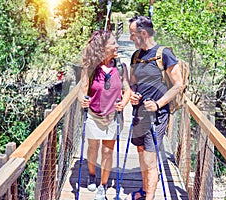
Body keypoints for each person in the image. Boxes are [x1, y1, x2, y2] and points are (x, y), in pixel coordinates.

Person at [126, 16, 183, 200]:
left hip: (157, 116)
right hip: (139, 114)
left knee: (150, 160)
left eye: (132, 34)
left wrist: (158, 104)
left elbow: (178, 85)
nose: (130, 38)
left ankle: (149, 197)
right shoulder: (136, 56)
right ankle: (144, 191)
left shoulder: (164, 54)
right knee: (142, 153)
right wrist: (132, 94)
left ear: (143, 33)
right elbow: (133, 82)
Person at [78, 30, 131, 200]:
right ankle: (92, 175)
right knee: (93, 147)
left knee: (108, 152)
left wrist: (124, 103)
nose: (117, 46)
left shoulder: (121, 67)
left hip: (112, 116)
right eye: (113, 43)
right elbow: (81, 90)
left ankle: (103, 185)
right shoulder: (91, 68)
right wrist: (82, 100)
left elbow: (127, 90)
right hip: (93, 114)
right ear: (102, 48)